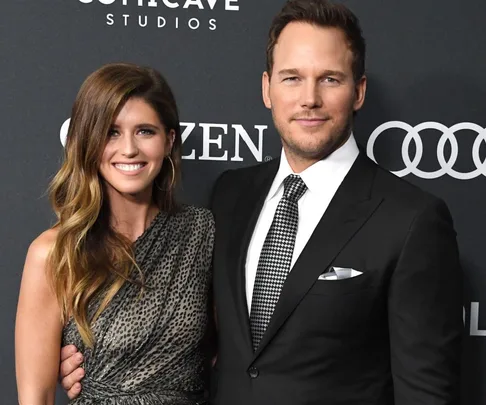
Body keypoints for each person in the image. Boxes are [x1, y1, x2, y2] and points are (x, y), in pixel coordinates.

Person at [59, 1, 463, 404]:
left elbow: (426, 393)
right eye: (291, 78)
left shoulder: (411, 220)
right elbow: (191, 334)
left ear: (358, 91)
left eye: (330, 79)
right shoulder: (231, 195)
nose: (309, 98)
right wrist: (100, 363)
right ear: (267, 89)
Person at [15, 63, 214, 405]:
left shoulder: (201, 232)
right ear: (87, 142)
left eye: (145, 131)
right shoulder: (55, 253)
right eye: (111, 132)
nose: (129, 150)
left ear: (169, 141)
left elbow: (233, 353)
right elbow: (37, 397)